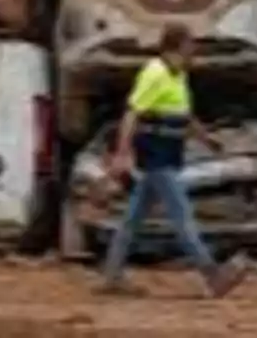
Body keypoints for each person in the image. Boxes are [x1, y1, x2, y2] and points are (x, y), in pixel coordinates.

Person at [98, 23, 248, 298]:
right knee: (182, 217)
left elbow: (182, 115)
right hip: (156, 158)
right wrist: (122, 152)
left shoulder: (177, 76)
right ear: (175, 48)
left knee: (133, 219)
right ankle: (212, 275)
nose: (193, 54)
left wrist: (206, 139)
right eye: (189, 47)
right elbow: (132, 113)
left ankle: (112, 276)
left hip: (167, 155)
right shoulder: (154, 73)